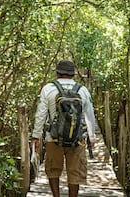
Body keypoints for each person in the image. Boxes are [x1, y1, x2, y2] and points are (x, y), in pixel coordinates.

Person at [31, 60, 96, 197]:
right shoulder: (83, 90)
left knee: (53, 169)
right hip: (77, 138)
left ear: (58, 73)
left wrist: (36, 136)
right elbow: (89, 114)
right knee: (75, 172)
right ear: (73, 74)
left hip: (52, 137)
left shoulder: (48, 89)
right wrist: (92, 136)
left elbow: (41, 114)